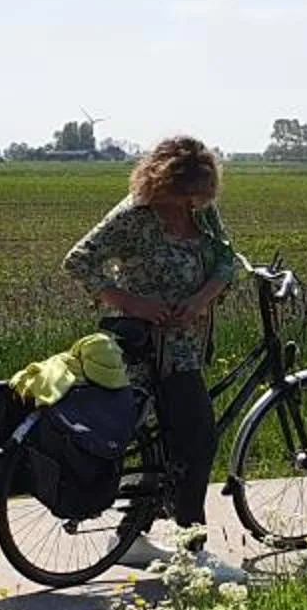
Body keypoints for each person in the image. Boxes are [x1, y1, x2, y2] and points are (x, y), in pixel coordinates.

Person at [63, 136, 246, 577]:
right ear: (160, 183)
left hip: (188, 346)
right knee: (197, 439)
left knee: (167, 447)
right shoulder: (134, 217)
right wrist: (131, 302)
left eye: (199, 194)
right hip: (148, 349)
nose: (191, 204)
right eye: (182, 195)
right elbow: (78, 261)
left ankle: (130, 539)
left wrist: (203, 298)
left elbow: (227, 261)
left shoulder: (202, 212)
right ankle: (192, 549)